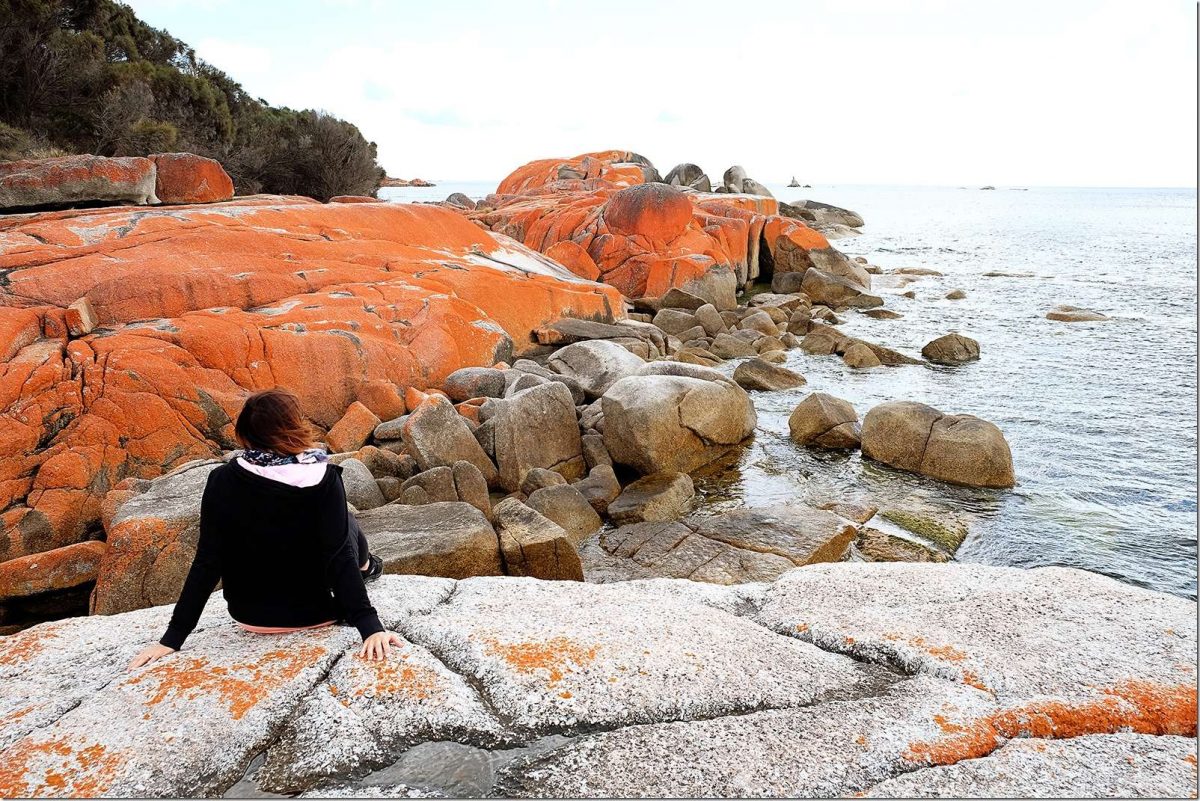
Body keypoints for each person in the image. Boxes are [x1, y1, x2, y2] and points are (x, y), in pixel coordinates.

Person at [128, 388, 401, 670]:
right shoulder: (323, 478)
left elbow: (207, 562)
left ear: (244, 433)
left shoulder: (221, 480)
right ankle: (367, 566)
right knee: (343, 519)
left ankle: (367, 565)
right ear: (296, 429)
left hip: (250, 617)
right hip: (318, 613)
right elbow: (340, 555)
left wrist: (172, 638)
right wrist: (370, 626)